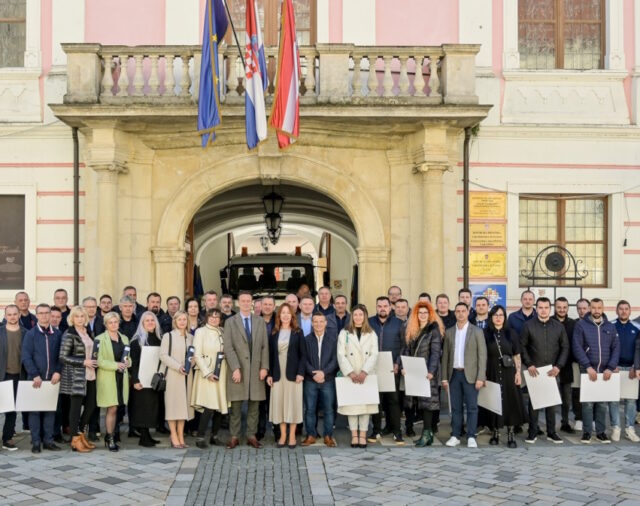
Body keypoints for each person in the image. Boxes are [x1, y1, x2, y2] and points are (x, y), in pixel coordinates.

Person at [224, 291, 269, 449]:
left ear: (251, 303)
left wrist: (264, 367)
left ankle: (251, 435)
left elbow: (264, 346)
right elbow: (228, 348)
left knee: (254, 406)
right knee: (235, 406)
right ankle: (234, 436)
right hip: (238, 369)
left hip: (256, 370)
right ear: (238, 302)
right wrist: (235, 368)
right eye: (242, 300)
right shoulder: (230, 322)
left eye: (248, 300)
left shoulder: (260, 321)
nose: (245, 303)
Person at [520, 297, 569, 444]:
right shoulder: (528, 325)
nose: (543, 310)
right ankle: (532, 432)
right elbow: (522, 346)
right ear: (537, 308)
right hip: (534, 370)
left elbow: (565, 347)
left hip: (552, 371)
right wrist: (528, 364)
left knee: (551, 403)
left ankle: (551, 432)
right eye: (540, 307)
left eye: (546, 307)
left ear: (550, 308)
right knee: (534, 403)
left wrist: (558, 366)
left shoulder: (558, 326)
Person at [573, 298, 620, 444]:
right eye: (593, 307)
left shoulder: (610, 327)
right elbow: (577, 347)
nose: (596, 310)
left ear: (603, 308)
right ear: (590, 309)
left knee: (601, 403)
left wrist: (610, 368)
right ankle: (587, 432)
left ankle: (600, 432)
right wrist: (587, 366)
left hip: (605, 371)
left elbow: (616, 348)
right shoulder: (581, 325)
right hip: (588, 369)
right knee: (587, 403)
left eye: (599, 307)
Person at [441, 302, 487, 448]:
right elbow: (445, 357)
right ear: (455, 313)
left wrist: (481, 377)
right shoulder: (449, 332)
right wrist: (444, 377)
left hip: (471, 376)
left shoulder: (477, 331)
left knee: (472, 407)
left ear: (468, 312)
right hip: (454, 375)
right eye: (458, 311)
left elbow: (482, 356)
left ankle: (471, 436)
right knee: (456, 407)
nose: (460, 313)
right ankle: (455, 435)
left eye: (463, 311)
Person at [21, 304, 62, 453]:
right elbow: (26, 356)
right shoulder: (30, 334)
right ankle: (36, 442)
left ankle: (48, 441)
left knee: (50, 411)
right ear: (36, 315)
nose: (44, 316)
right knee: (35, 412)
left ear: (51, 315)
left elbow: (60, 356)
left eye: (47, 313)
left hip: (52, 379)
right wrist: (34, 374)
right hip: (36, 380)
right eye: (41, 313)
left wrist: (58, 371)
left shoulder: (57, 334)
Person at [401, 301, 443, 447]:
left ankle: (426, 433)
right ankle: (428, 434)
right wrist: (404, 367)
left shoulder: (434, 329)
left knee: (427, 404)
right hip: (413, 370)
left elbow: (436, 352)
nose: (423, 315)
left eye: (425, 313)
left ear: (430, 314)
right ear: (416, 315)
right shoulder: (413, 329)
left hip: (427, 373)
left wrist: (431, 371)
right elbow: (406, 349)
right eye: (420, 313)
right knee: (415, 402)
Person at [337, 304, 379, 448]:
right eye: (355, 315)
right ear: (351, 316)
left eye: (361, 314)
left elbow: (375, 354)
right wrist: (350, 372)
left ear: (365, 316)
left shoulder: (372, 333)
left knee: (365, 407)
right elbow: (341, 354)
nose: (358, 317)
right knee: (352, 406)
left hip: (366, 375)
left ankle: (363, 435)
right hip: (350, 374)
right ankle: (354, 435)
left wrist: (364, 372)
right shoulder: (344, 332)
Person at [483, 305, 525, 448]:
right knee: (493, 401)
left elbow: (516, 355)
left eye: (501, 315)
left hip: (509, 373)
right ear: (491, 317)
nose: (498, 318)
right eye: (495, 315)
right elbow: (483, 356)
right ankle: (495, 432)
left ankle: (511, 433)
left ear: (505, 317)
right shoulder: (485, 333)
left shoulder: (511, 333)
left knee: (510, 402)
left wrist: (518, 373)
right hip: (491, 371)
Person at [59, 306, 97, 453]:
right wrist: (83, 362)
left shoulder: (88, 333)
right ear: (72, 318)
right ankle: (74, 439)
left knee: (91, 404)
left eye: (82, 316)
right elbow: (63, 357)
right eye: (77, 316)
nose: (80, 319)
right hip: (76, 376)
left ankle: (80, 433)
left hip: (91, 374)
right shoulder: (69, 333)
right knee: (75, 408)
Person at [267, 304, 305, 448]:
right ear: (279, 316)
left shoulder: (298, 332)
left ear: (292, 316)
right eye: (282, 313)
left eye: (288, 313)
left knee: (293, 404)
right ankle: (283, 435)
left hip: (294, 375)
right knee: (280, 404)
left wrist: (301, 373)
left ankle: (293, 435)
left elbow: (303, 355)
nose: (285, 315)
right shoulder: (274, 332)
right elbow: (270, 355)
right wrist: (269, 374)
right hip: (277, 373)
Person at [368, 296, 405, 444]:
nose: (382, 308)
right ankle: (376, 430)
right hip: (374, 366)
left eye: (385, 306)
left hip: (392, 366)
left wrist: (398, 363)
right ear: (376, 307)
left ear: (390, 308)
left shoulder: (399, 323)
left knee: (393, 400)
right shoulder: (369, 322)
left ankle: (397, 431)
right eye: (379, 306)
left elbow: (404, 345)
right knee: (376, 400)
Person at [191, 309, 228, 449]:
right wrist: (207, 373)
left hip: (222, 371)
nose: (214, 319)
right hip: (208, 373)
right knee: (209, 405)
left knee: (219, 404)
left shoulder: (223, 331)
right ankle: (200, 437)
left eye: (217, 317)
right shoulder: (201, 332)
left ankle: (214, 436)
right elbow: (197, 355)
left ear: (220, 319)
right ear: (206, 318)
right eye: (211, 317)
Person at [301, 312, 338, 447]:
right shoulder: (306, 339)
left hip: (327, 380)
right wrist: (313, 373)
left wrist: (323, 373)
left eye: (321, 321)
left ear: (326, 323)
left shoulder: (333, 339)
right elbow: (304, 360)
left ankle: (328, 435)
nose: (318, 324)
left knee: (328, 409)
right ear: (312, 323)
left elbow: (335, 360)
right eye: (315, 321)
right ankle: (311, 435)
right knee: (310, 409)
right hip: (310, 380)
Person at [96, 312, 131, 451]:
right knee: (112, 408)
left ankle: (112, 435)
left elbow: (128, 358)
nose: (113, 324)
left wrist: (128, 363)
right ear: (106, 324)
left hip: (121, 377)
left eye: (115, 322)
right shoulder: (100, 339)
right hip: (108, 377)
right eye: (110, 322)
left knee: (118, 407)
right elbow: (99, 360)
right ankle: (110, 437)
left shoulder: (124, 338)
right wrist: (116, 365)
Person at [160, 311, 195, 448]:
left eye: (184, 319)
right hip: (173, 376)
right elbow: (163, 355)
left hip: (187, 377)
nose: (182, 322)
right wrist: (178, 366)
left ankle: (181, 435)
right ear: (175, 321)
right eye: (179, 319)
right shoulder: (168, 336)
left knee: (183, 407)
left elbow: (194, 356)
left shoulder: (190, 337)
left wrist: (190, 364)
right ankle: (173, 434)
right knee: (172, 406)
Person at [129, 311, 163, 447]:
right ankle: (143, 437)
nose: (150, 322)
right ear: (142, 323)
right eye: (147, 321)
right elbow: (134, 363)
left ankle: (148, 434)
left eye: (152, 320)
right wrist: (135, 380)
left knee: (152, 407)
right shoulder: (136, 341)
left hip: (153, 380)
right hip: (141, 381)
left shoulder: (159, 339)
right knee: (143, 408)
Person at [0, 305, 26, 451]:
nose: (12, 317)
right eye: (9, 314)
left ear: (19, 315)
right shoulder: (0, 332)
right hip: (2, 375)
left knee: (12, 408)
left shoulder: (25, 333)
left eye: (15, 314)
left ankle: (7, 438)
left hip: (18, 375)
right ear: (5, 316)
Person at [613, 300, 640, 441]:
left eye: (626, 309)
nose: (623, 311)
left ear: (630, 311)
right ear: (617, 311)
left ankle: (629, 429)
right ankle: (616, 427)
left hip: (631, 369)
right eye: (621, 309)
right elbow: (607, 347)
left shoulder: (637, 327)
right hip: (615, 369)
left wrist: (636, 366)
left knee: (630, 401)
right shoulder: (610, 326)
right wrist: (612, 366)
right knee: (614, 400)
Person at [552, 297, 578, 434]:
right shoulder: (549, 322)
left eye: (564, 307)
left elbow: (576, 344)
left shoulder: (573, 324)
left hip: (567, 365)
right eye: (559, 307)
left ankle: (565, 422)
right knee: (549, 397)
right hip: (550, 367)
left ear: (567, 308)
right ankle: (548, 425)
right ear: (554, 307)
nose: (562, 309)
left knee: (567, 398)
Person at [257, 295, 277, 440]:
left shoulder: (280, 320)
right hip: (259, 367)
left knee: (275, 400)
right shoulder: (255, 321)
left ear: (274, 307)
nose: (268, 307)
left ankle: (277, 430)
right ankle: (260, 429)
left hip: (276, 366)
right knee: (260, 401)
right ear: (260, 306)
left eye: (270, 304)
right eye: (265, 304)